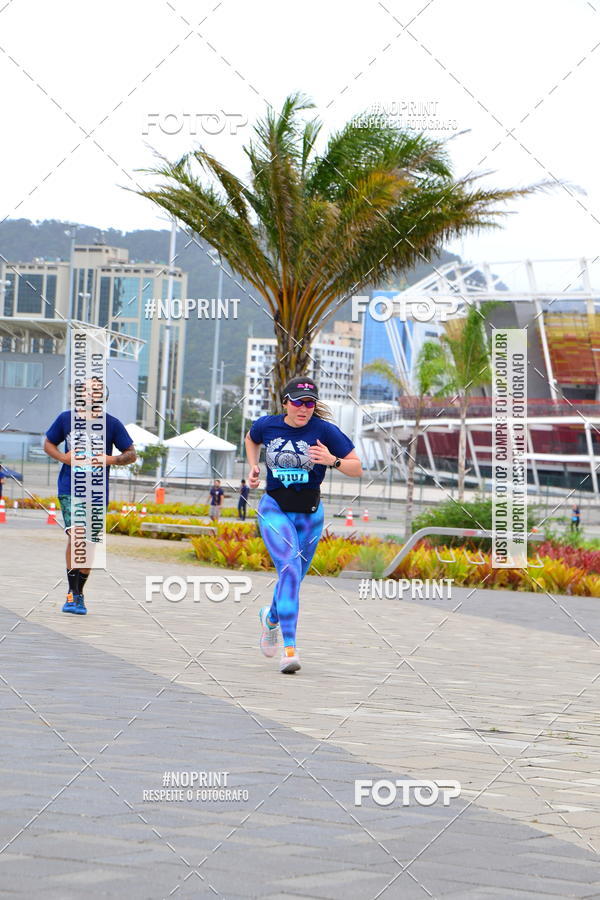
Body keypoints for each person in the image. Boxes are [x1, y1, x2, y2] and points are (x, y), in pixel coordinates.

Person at [246, 376, 362, 674]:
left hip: (310, 515)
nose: (304, 409)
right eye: (298, 402)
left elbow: (357, 468)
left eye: (310, 403)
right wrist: (253, 465)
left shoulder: (325, 431)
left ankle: (270, 618)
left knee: (293, 577)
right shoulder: (268, 425)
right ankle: (290, 649)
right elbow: (251, 438)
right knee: (289, 569)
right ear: (286, 402)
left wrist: (333, 460)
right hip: (274, 508)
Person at [44, 380, 136, 615]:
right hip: (70, 488)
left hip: (96, 492)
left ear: (103, 396)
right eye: (85, 389)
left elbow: (131, 454)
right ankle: (72, 593)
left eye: (95, 390)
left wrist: (109, 459)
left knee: (90, 543)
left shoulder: (112, 424)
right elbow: (48, 444)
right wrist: (63, 458)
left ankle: (79, 594)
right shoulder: (65, 419)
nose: (89, 393)